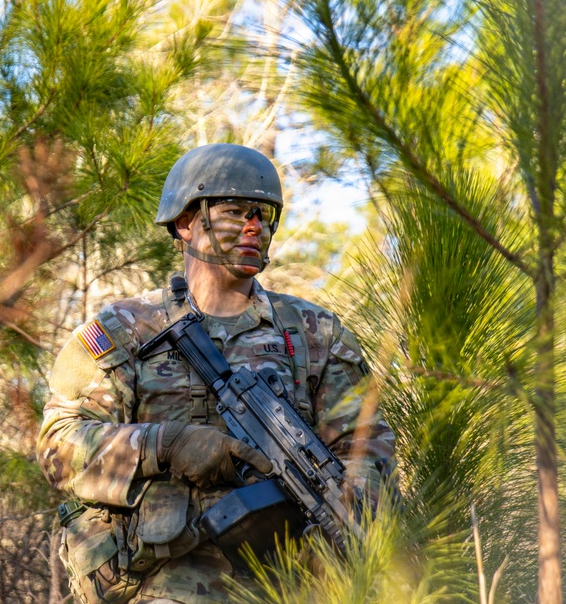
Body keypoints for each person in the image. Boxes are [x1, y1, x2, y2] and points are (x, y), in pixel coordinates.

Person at [37, 144, 396, 604]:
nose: (255, 227)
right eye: (234, 212)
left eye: (264, 215)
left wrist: (344, 518)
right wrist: (165, 444)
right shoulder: (125, 329)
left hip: (294, 586)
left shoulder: (316, 332)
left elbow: (368, 450)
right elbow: (58, 446)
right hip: (163, 585)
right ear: (186, 222)